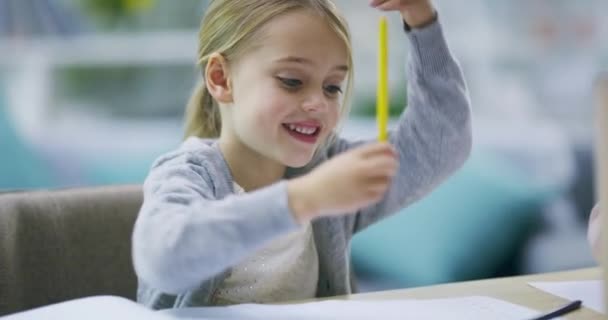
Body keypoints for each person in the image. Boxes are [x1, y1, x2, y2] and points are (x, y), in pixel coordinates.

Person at [132, 0, 472, 309]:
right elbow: (164, 259)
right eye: (292, 81)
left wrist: (422, 21)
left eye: (332, 87)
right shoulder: (188, 173)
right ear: (221, 78)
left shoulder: (326, 168)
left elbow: (442, 142)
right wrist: (304, 199)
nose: (318, 104)